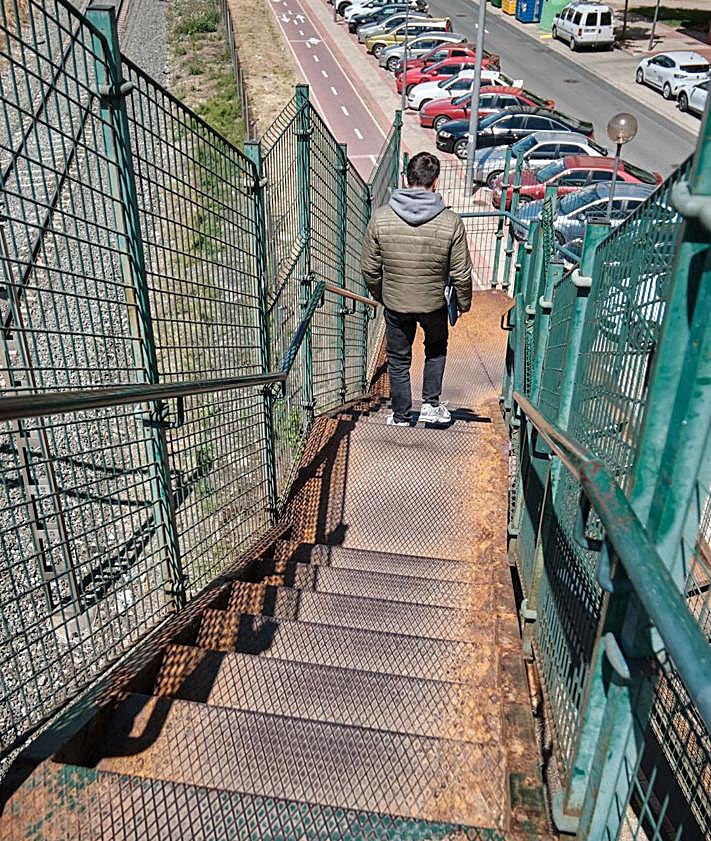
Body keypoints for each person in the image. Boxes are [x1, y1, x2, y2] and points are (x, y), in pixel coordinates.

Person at [361, 151, 473, 426]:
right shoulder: (451, 222)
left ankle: (400, 416)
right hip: (433, 304)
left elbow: (369, 268)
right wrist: (464, 303)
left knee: (399, 359)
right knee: (435, 348)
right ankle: (431, 406)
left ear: (406, 178)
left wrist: (382, 295)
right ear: (436, 182)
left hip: (396, 304)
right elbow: (461, 272)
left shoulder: (381, 218)